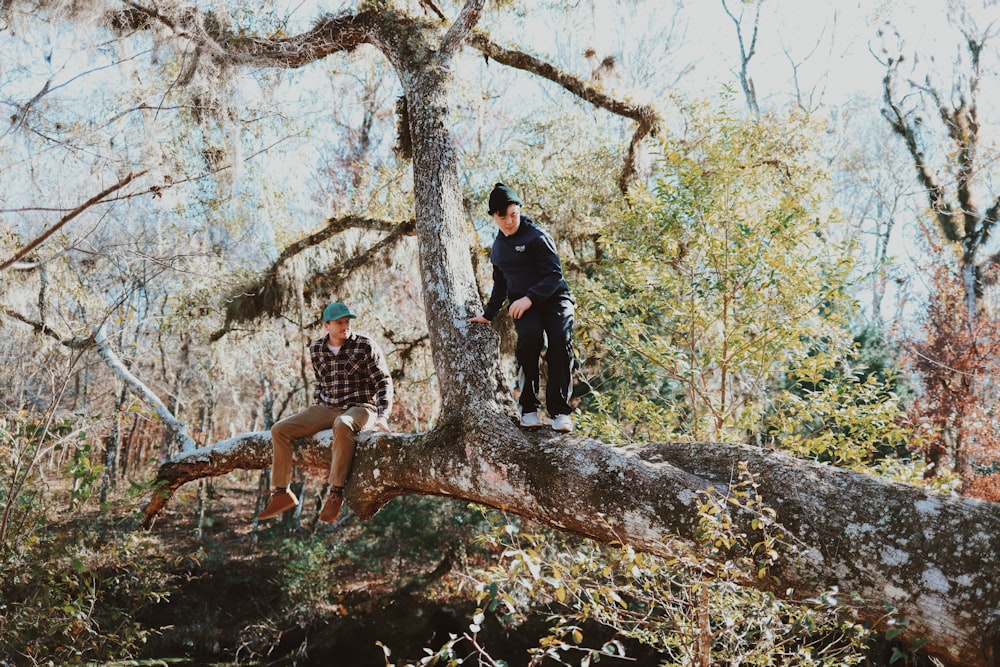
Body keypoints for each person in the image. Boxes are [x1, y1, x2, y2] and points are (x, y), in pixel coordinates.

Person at [258, 301, 393, 523]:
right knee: (280, 429)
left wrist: (383, 415)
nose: (345, 326)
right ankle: (281, 493)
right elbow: (321, 383)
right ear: (326, 325)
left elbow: (383, 382)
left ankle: (336, 492)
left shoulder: (365, 345)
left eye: (347, 321)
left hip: (361, 408)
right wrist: (316, 409)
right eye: (339, 322)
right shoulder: (317, 349)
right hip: (327, 406)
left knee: (343, 423)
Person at [469, 183, 576, 433]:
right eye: (502, 216)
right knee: (529, 339)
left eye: (513, 214)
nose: (509, 221)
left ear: (519, 210)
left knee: (560, 341)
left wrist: (528, 298)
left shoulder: (537, 236)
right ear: (493, 217)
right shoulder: (497, 247)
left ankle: (559, 411)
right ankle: (528, 407)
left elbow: (554, 275)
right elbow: (500, 283)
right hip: (525, 307)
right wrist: (488, 314)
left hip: (555, 299)